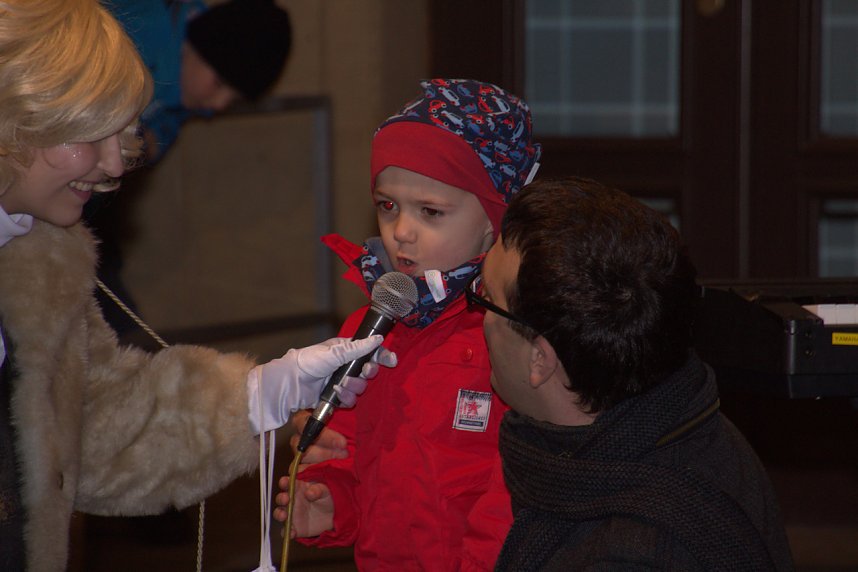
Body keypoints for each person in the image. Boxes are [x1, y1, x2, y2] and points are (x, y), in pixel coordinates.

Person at [0, 2, 385, 570]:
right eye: (90, 135)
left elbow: (93, 428)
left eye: (124, 133)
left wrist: (262, 394)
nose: (114, 166)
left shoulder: (42, 252)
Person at [274, 78, 542, 569]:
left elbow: (522, 489)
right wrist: (334, 500)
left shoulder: (512, 335)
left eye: (430, 212)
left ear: (494, 219)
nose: (401, 231)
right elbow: (352, 452)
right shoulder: (370, 324)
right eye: (387, 206)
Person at [471, 177, 795, 570]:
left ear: (540, 359)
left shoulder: (633, 551)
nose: (478, 317)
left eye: (486, 297)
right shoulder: (681, 419)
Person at [107, 0, 292, 162]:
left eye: (234, 100)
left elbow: (166, 123)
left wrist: (149, 142)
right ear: (195, 45)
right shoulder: (141, 27)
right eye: (218, 83)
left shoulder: (188, 85)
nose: (220, 104)